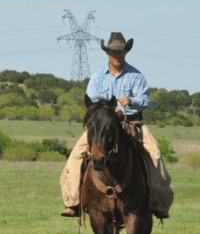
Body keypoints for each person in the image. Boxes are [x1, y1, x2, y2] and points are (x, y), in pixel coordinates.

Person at [59, 32, 173, 219]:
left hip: (131, 122)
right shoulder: (97, 77)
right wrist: (110, 112)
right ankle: (73, 203)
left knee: (155, 155)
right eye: (113, 52)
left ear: (126, 52)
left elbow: (144, 100)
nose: (116, 56)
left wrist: (131, 100)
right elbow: (92, 103)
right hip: (102, 127)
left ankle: (159, 203)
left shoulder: (136, 76)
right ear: (107, 53)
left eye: (120, 52)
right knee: (75, 156)